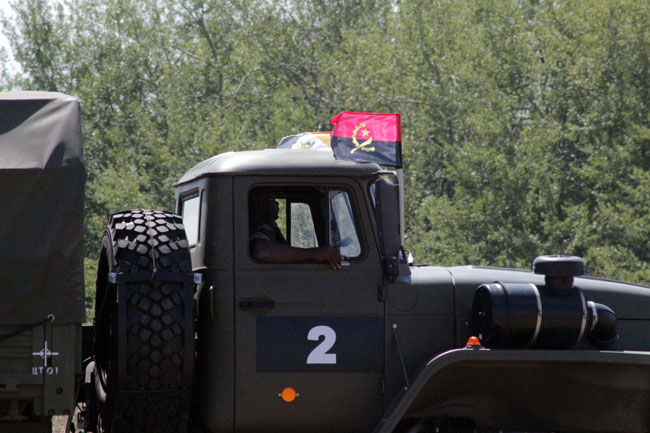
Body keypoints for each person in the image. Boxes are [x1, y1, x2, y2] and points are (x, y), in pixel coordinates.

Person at [249, 191, 343, 269]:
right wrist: (313, 254)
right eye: (271, 199)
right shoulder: (259, 226)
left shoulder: (270, 225)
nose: (276, 203)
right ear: (259, 203)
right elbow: (261, 251)